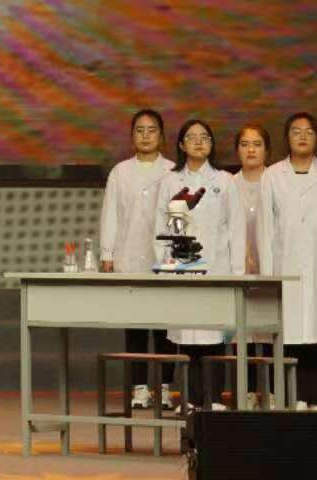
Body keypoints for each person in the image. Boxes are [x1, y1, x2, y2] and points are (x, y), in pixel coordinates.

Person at [258, 112, 317, 411]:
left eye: (309, 131)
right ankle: (295, 396)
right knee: (291, 334)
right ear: (287, 137)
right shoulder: (272, 176)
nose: (302, 136)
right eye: (296, 131)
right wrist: (268, 274)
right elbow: (265, 229)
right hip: (285, 268)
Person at [154, 119, 246, 410]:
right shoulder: (170, 182)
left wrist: (237, 273)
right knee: (186, 337)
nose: (198, 141)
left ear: (211, 144)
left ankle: (215, 398)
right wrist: (165, 267)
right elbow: (160, 226)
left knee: (214, 336)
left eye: (204, 136)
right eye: (191, 137)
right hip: (182, 269)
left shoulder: (224, 181)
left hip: (217, 269)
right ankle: (191, 399)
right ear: (182, 145)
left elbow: (236, 229)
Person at [99, 108, 175, 409]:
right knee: (135, 327)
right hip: (129, 255)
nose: (145, 136)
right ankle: (140, 388)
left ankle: (165, 388)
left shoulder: (172, 171)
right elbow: (111, 214)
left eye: (151, 130)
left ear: (162, 136)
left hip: (164, 259)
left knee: (166, 327)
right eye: (140, 130)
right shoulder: (120, 172)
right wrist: (107, 253)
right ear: (132, 137)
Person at [233, 123, 275, 407]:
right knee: (242, 332)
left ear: (267, 150)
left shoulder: (277, 181)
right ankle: (245, 391)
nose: (251, 150)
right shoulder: (228, 184)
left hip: (269, 264)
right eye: (245, 144)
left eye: (257, 144)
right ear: (237, 150)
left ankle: (270, 391)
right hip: (238, 267)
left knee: (270, 328)